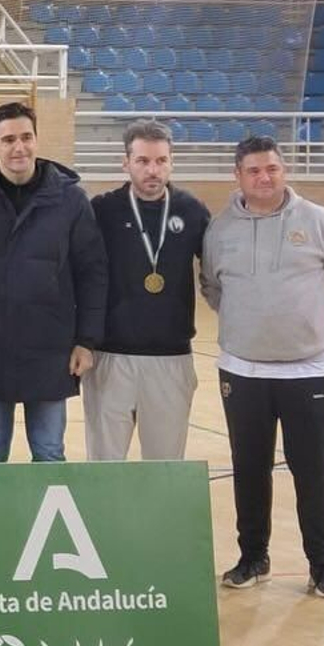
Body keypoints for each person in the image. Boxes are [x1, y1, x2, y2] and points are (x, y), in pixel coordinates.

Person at [202, 136, 324, 599]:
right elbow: (213, 288)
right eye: (253, 170)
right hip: (242, 372)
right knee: (248, 468)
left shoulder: (318, 221)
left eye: (272, 168)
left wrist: (314, 326)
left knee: (314, 470)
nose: (264, 178)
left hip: (307, 372)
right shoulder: (220, 229)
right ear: (238, 176)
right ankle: (253, 557)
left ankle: (322, 565)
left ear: (283, 170)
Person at [0, 102, 108, 463]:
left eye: (26, 137)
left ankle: (48, 521)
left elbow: (92, 273)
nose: (19, 147)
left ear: (37, 140)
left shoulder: (72, 201)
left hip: (51, 348)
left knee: (49, 452)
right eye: (9, 139)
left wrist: (86, 341)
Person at [84, 120, 210, 461]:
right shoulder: (102, 210)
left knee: (164, 465)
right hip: (110, 357)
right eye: (142, 161)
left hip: (172, 358)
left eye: (160, 161)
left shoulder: (192, 211)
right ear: (126, 163)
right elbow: (81, 276)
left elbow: (217, 275)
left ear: (171, 162)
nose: (152, 170)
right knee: (104, 465)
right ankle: (106, 518)